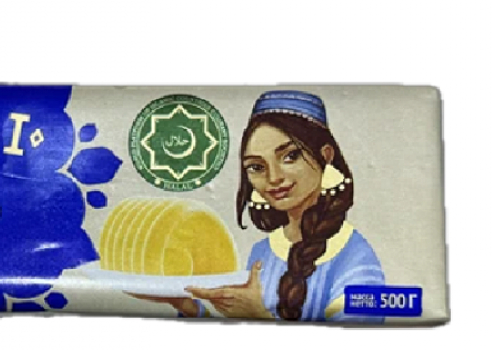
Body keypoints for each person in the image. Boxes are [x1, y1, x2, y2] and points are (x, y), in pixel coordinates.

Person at [165, 90, 384, 320]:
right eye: (257, 167)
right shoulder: (262, 252)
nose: (274, 178)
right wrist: (194, 311)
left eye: (290, 156)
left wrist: (258, 314)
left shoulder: (355, 257)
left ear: (326, 155)